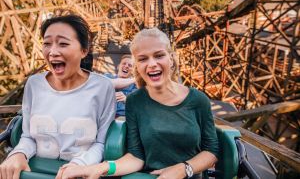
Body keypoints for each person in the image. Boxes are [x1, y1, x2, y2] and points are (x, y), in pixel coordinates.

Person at [58, 27, 219, 179]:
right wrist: (97, 168)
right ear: (138, 66)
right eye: (143, 59)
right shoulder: (135, 101)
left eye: (159, 55)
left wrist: (183, 169)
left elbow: (211, 151)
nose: (151, 63)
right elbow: (136, 157)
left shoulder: (198, 100)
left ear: (171, 59)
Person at [0, 13, 116, 179]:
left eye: (63, 44)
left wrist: (79, 165)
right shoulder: (34, 84)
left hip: (80, 173)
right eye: (47, 43)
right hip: (35, 172)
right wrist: (19, 153)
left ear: (84, 50)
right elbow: (28, 137)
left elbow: (101, 143)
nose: (52, 52)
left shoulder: (102, 87)